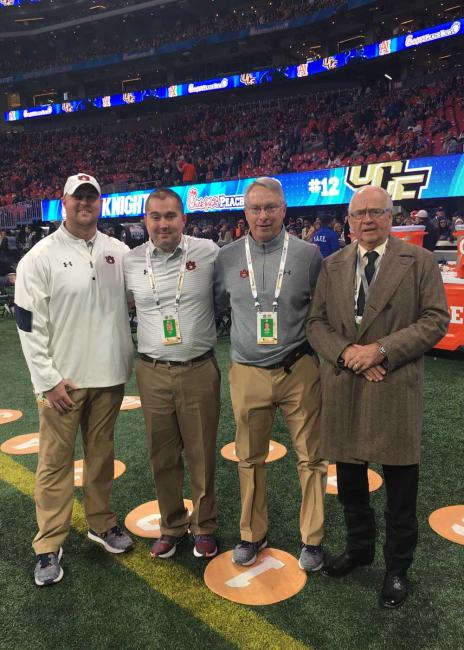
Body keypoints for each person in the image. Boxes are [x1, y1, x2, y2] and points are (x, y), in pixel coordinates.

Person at [307, 185, 449, 608]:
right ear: (348, 221)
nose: (367, 220)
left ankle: (397, 568)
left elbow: (435, 320)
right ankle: (359, 549)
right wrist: (349, 353)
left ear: (391, 216)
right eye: (359, 214)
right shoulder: (331, 265)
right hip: (346, 383)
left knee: (401, 490)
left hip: (393, 386)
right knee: (351, 483)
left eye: (376, 212)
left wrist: (382, 350)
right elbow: (316, 323)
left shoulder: (419, 261)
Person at [15, 173, 134, 587]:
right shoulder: (40, 256)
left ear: (100, 203)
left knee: (101, 457)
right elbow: (27, 324)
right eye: (78, 197)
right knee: (54, 463)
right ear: (63, 202)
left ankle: (101, 524)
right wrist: (47, 380)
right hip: (62, 383)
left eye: (92, 198)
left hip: (108, 377)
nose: (85, 204)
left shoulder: (119, 251)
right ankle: (48, 544)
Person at [215, 177, 327, 570]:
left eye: (270, 207)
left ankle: (311, 540)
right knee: (249, 458)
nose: (262, 215)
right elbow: (216, 303)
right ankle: (252, 534)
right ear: (245, 212)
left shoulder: (308, 254)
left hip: (299, 369)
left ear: (284, 210)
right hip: (247, 371)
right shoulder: (226, 257)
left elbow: (323, 309)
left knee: (311, 458)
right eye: (255, 208)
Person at [124, 188, 220, 560]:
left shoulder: (208, 252)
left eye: (170, 216)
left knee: (201, 453)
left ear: (184, 219)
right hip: (151, 372)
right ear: (145, 220)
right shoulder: (130, 261)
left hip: (197, 369)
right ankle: (172, 525)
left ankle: (205, 526)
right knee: (161, 455)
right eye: (155, 216)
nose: (162, 223)